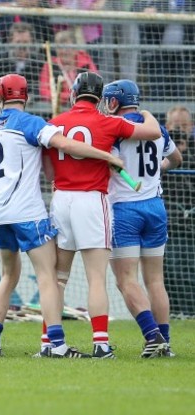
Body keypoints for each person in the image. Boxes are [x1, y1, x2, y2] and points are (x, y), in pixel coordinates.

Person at [0, 74, 123, 358]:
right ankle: (56, 346)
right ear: (27, 96)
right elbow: (67, 146)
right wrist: (106, 157)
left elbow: (45, 164)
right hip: (28, 213)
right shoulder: (32, 124)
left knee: (8, 276)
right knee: (49, 277)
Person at [43, 71, 162, 359]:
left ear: (73, 93)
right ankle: (100, 343)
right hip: (92, 200)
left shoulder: (54, 123)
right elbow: (153, 131)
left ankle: (50, 342)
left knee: (58, 279)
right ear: (100, 98)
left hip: (61, 200)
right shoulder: (109, 121)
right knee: (96, 277)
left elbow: (47, 173)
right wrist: (145, 112)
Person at [103, 79, 182, 358]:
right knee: (155, 280)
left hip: (125, 209)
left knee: (126, 279)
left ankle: (153, 337)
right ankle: (166, 344)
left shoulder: (113, 129)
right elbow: (177, 159)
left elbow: (109, 164)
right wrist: (158, 169)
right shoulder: (156, 128)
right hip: (155, 207)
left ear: (114, 102)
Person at [0, 22, 44, 102]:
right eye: (18, 42)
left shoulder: (39, 61)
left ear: (32, 43)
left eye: (25, 42)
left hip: (30, 108)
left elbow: (40, 89)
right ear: (10, 42)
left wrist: (29, 98)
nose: (22, 46)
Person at [39, 30, 98, 105]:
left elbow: (94, 88)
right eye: (60, 48)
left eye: (67, 48)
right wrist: (68, 97)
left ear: (75, 48)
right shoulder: (49, 65)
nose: (64, 52)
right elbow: (44, 92)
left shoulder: (86, 61)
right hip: (58, 107)